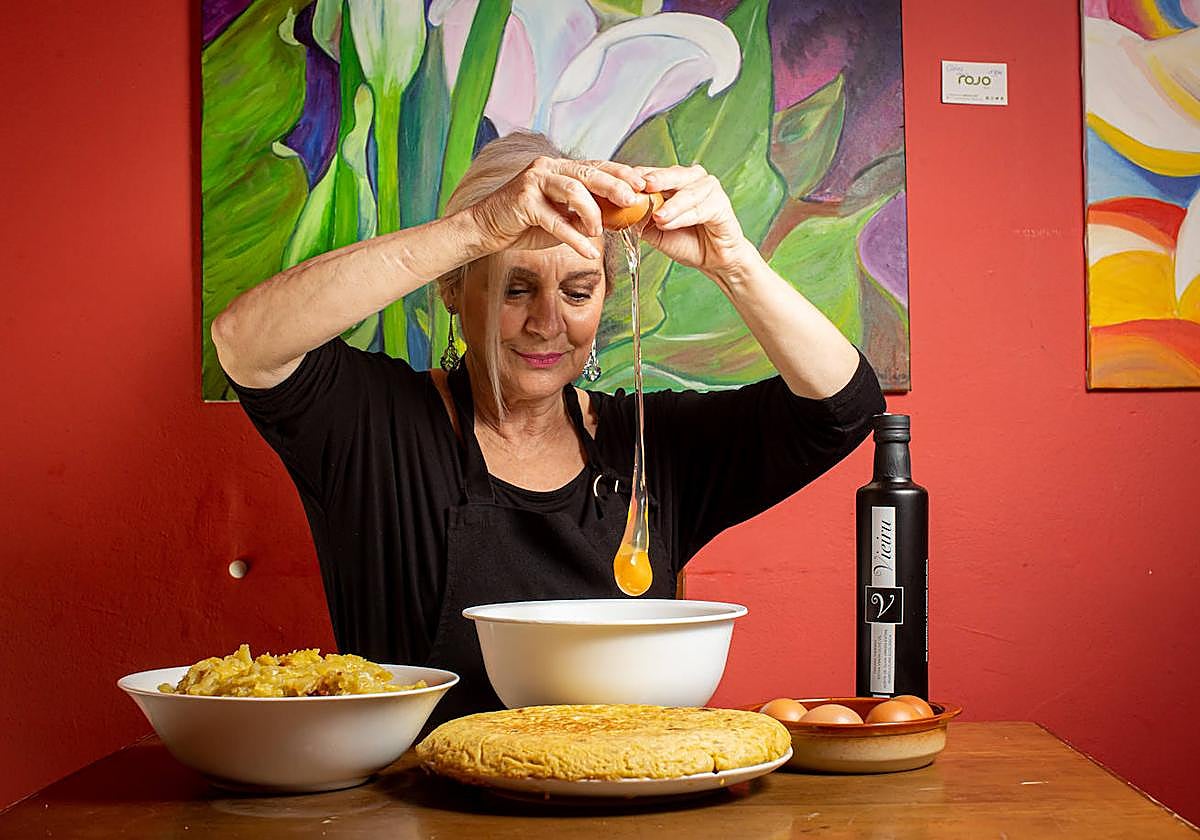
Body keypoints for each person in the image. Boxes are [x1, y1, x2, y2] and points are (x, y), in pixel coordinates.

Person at [212, 131, 886, 724]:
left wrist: (733, 260)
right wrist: (476, 229)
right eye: (514, 288)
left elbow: (843, 406)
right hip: (419, 809)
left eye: (577, 291)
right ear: (455, 291)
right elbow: (245, 340)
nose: (546, 323)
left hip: (629, 802)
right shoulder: (373, 427)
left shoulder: (652, 448)